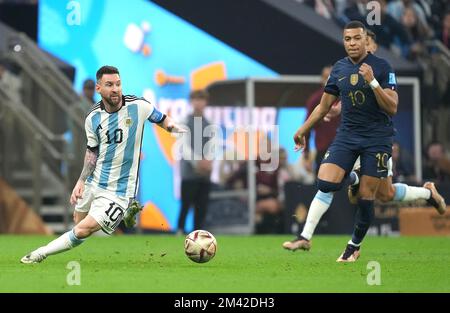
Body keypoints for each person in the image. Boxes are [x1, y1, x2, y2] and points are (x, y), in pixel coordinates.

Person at [283, 23, 446, 261]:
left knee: (374, 195)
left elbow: (392, 107)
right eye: (347, 39)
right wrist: (303, 130)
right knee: (325, 181)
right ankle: (306, 236)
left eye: (356, 39)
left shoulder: (382, 67)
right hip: (347, 136)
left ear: (365, 41)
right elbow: (324, 106)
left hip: (377, 139)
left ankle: (354, 246)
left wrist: (373, 82)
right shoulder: (338, 68)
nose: (352, 43)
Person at [20, 65, 186, 264]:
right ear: (99, 88)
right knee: (78, 222)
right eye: (109, 85)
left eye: (118, 84)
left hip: (120, 190)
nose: (115, 89)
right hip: (95, 180)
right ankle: (127, 211)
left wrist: (173, 128)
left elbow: (161, 118)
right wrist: (81, 181)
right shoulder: (93, 118)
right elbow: (92, 152)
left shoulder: (138, 106)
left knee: (83, 230)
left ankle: (39, 254)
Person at [176, 90, 212, 235]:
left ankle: (199, 234)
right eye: (196, 99)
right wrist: (198, 162)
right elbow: (183, 146)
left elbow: (213, 145)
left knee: (201, 206)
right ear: (191, 102)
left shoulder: (210, 123)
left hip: (205, 173)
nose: (199, 102)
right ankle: (180, 230)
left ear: (206, 102)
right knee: (186, 204)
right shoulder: (184, 121)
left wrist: (208, 160)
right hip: (189, 172)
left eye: (201, 99)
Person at [304, 65, 340, 175]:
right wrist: (306, 156)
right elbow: (307, 128)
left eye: (332, 77)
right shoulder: (315, 99)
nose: (329, 80)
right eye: (326, 77)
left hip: (344, 149)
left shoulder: (345, 97)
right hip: (323, 150)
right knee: (322, 185)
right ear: (322, 79)